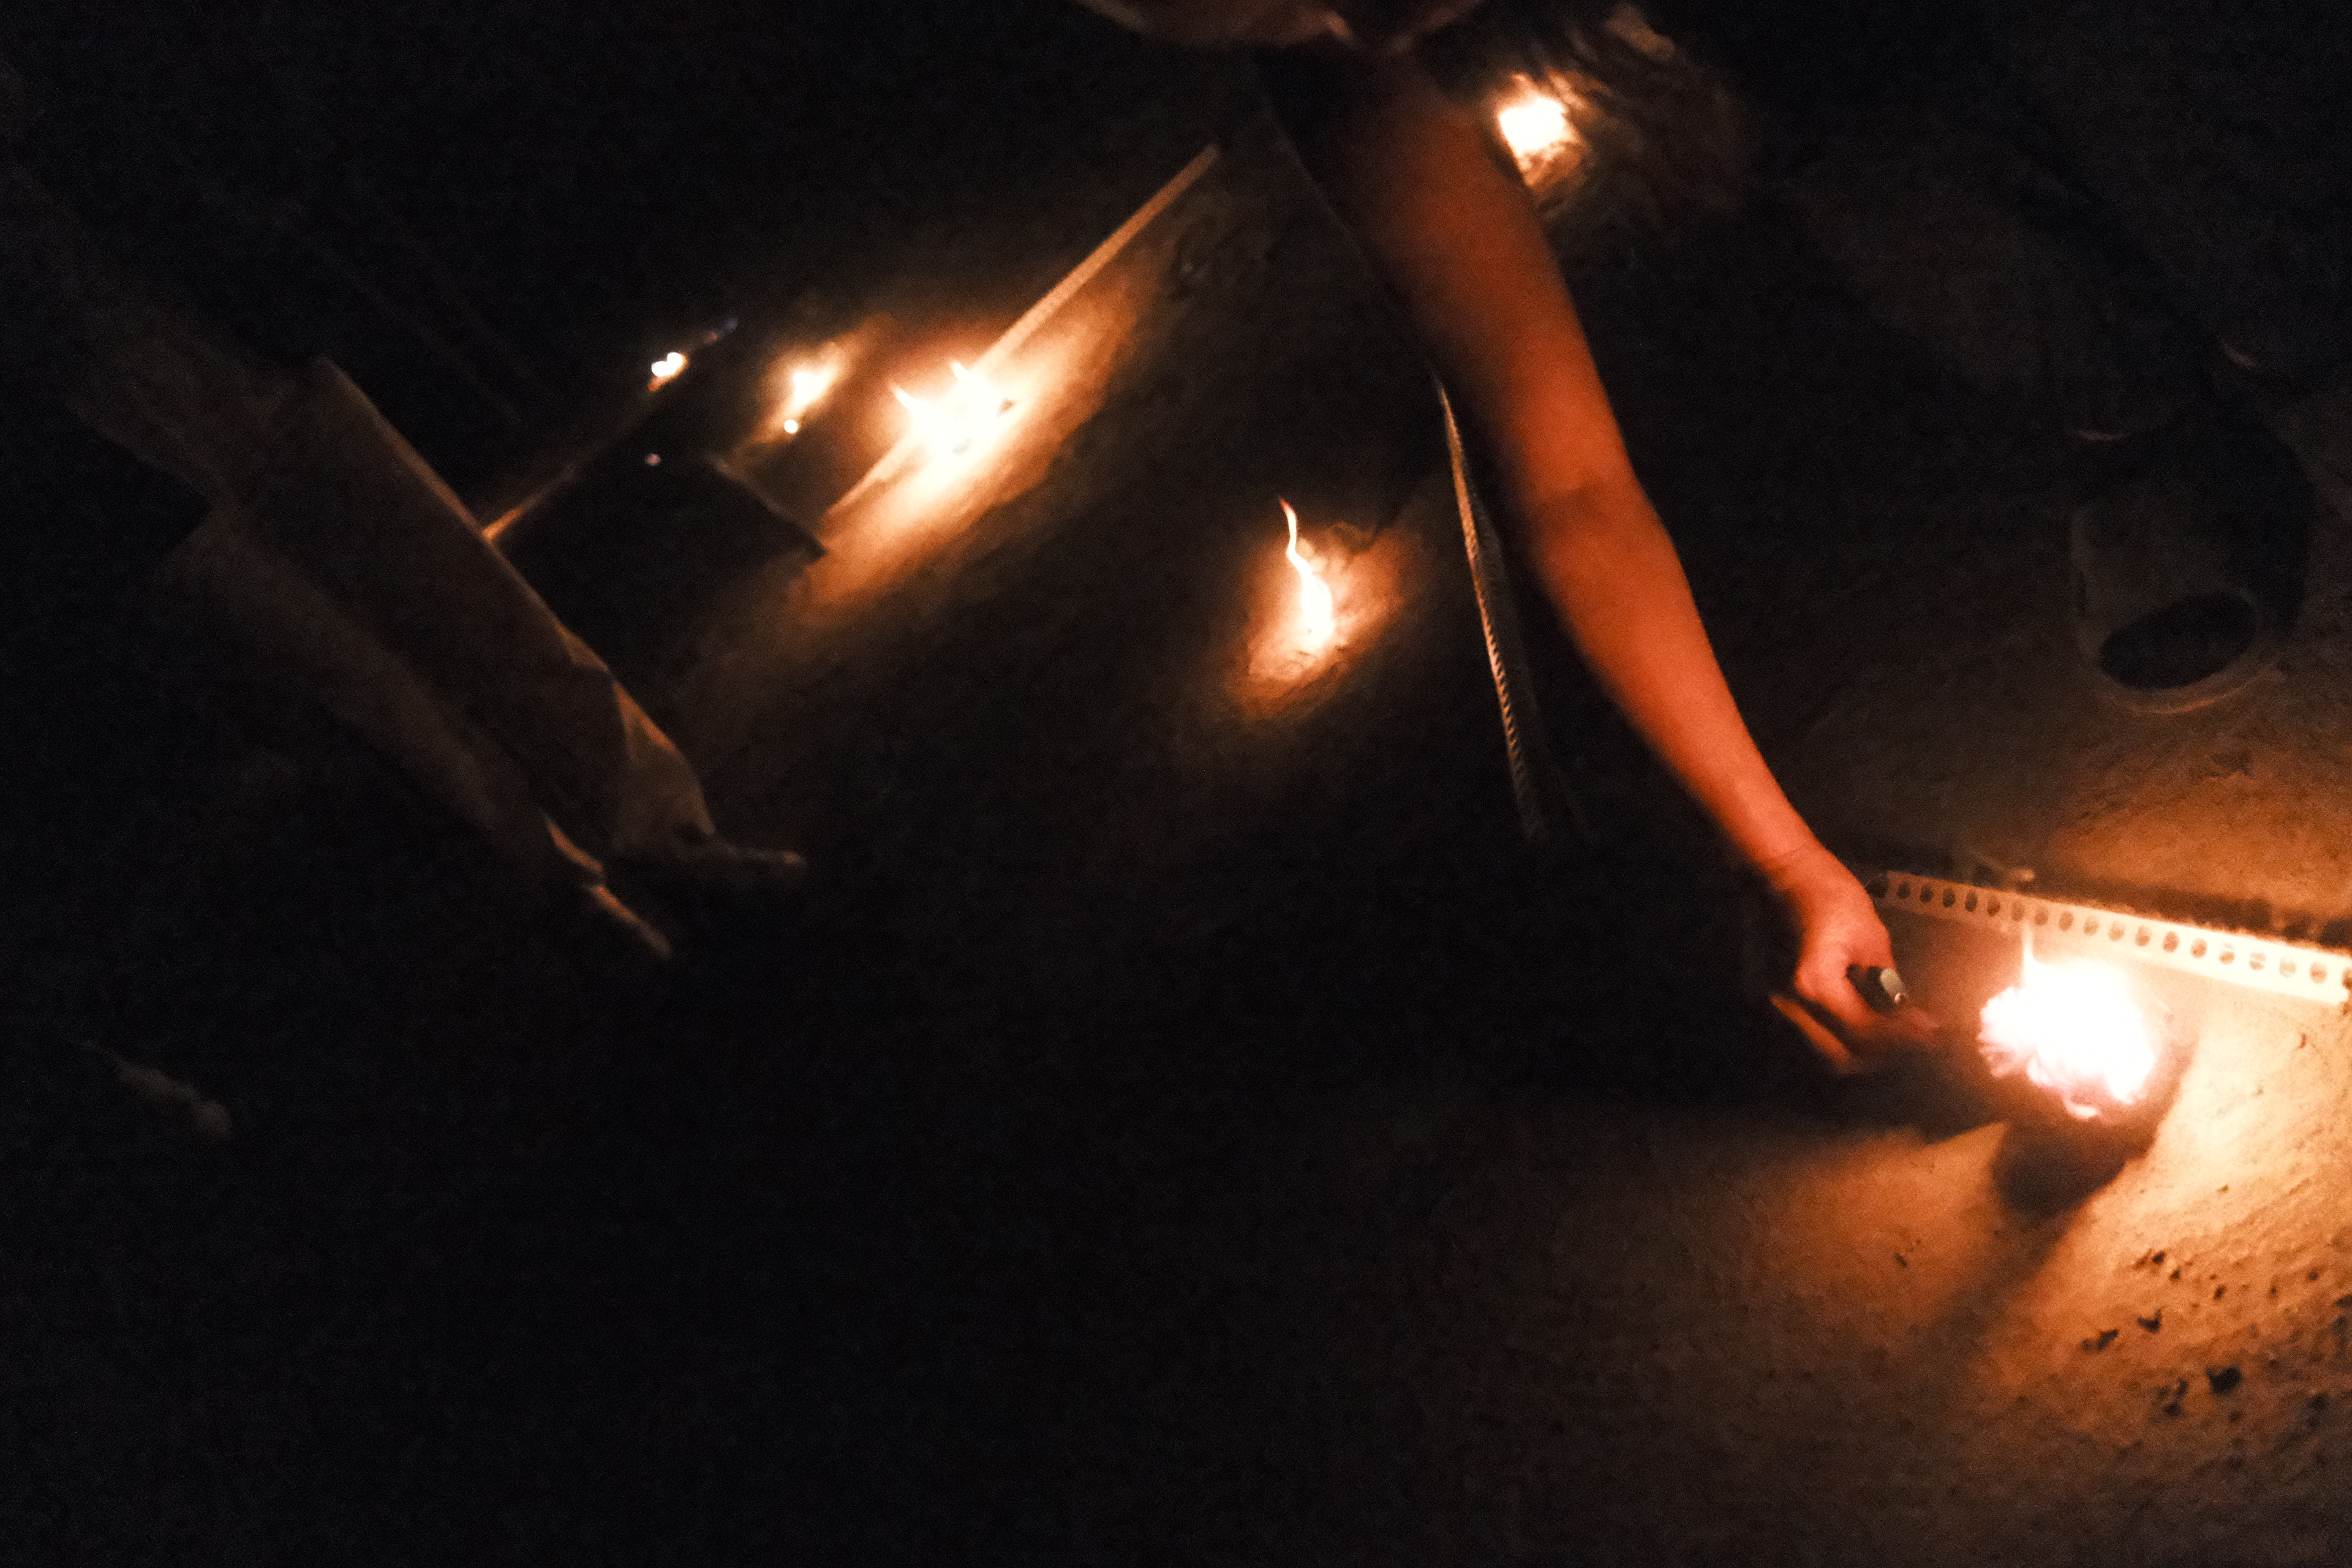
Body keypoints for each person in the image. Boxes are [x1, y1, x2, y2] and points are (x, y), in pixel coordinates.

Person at [1081, 0, 1943, 1068]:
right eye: (1282, 25)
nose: (1372, 37)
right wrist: (1787, 863)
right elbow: (1572, 493)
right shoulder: (1353, 55)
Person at [0, 76, 805, 972]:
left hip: (179, 329)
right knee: (344, 683)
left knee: (462, 588)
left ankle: (671, 843)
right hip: (75, 454)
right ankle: (575, 899)